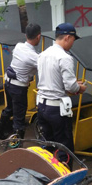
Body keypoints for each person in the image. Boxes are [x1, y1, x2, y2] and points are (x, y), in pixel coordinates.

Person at [36, 23, 86, 167]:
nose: (73, 43)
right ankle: (65, 181)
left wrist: (72, 84)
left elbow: (52, 79)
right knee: (64, 148)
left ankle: (47, 175)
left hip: (42, 107)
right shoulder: (64, 57)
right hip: (57, 110)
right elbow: (71, 86)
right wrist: (80, 88)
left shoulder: (43, 54)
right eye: (73, 40)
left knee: (48, 145)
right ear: (68, 38)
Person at [0, 23, 42, 141]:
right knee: (19, 118)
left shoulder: (19, 46)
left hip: (8, 83)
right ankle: (16, 147)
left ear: (26, 35)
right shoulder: (34, 57)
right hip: (18, 88)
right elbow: (43, 63)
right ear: (38, 36)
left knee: (9, 108)